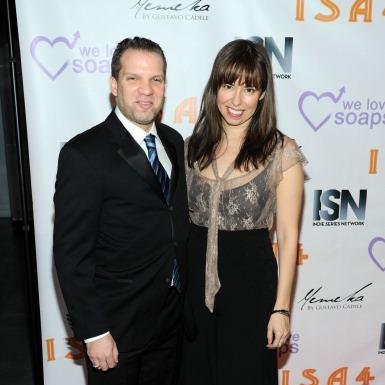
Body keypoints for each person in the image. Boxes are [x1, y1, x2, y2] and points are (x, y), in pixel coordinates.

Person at [53, 37, 189, 385]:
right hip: (116, 328)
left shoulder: (173, 141)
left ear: (165, 86)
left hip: (171, 321)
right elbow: (71, 255)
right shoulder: (84, 154)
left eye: (155, 79)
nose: (146, 90)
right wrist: (94, 331)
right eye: (133, 78)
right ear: (114, 85)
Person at [180, 39, 306, 385]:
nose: (236, 100)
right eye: (229, 85)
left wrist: (281, 310)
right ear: (215, 87)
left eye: (249, 88)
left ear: (263, 95)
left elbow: (290, 238)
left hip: (251, 295)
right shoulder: (191, 149)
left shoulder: (282, 153)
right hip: (193, 299)